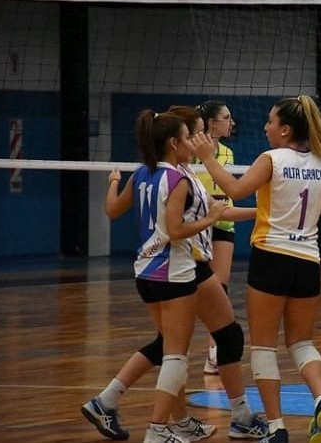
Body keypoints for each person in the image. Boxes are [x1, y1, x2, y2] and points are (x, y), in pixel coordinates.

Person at [82, 106, 267, 442]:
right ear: (177, 141)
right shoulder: (178, 178)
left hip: (154, 268)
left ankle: (115, 404)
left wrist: (263, 212)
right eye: (192, 136)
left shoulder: (147, 172)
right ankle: (157, 428)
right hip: (177, 268)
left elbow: (112, 209)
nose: (198, 142)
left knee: (204, 340)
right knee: (175, 352)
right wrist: (211, 220)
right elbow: (177, 228)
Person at [192, 95, 321, 443]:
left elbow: (235, 189)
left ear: (286, 129)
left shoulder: (271, 159)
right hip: (308, 263)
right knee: (302, 343)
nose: (265, 127)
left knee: (263, 348)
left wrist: (208, 159)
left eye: (271, 121)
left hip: (271, 257)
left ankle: (276, 427)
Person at [194, 100, 243, 375]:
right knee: (193, 287)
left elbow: (229, 188)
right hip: (196, 224)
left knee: (220, 287)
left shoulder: (227, 153)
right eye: (226, 117)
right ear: (211, 123)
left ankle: (214, 351)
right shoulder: (192, 151)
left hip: (223, 221)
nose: (231, 122)